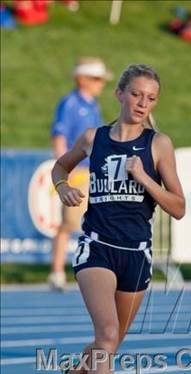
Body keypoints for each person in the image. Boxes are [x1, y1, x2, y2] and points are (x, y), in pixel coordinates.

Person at [51, 64, 185, 374]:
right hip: (97, 247)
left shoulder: (158, 144)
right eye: (137, 95)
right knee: (106, 333)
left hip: (136, 254)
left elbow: (177, 207)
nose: (143, 103)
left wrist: (144, 178)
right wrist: (63, 189)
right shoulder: (94, 138)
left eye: (151, 98)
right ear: (120, 95)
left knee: (109, 345)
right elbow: (61, 166)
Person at [48, 57, 111, 291]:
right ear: (82, 79)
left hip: (92, 172)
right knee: (69, 223)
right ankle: (56, 272)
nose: (100, 84)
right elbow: (59, 135)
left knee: (96, 224)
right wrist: (64, 171)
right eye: (96, 79)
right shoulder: (71, 103)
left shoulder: (93, 105)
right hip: (78, 173)